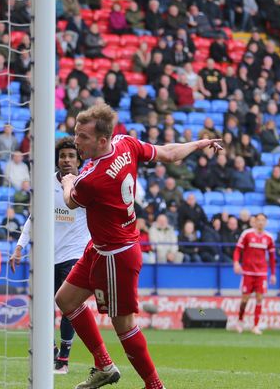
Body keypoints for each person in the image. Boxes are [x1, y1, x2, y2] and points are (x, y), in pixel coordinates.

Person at [56, 104, 221, 389]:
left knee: (125, 326)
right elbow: (168, 153)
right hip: (100, 247)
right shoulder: (126, 143)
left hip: (116, 255)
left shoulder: (92, 179)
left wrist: (68, 180)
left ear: (102, 139)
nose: (76, 142)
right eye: (75, 135)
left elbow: (71, 199)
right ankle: (105, 366)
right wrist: (198, 143)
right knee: (65, 300)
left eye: (83, 137)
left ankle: (155, 385)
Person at [10, 137, 90, 374]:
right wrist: (19, 247)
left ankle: (63, 360)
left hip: (75, 255)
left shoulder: (87, 184)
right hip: (47, 256)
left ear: (79, 159)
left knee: (69, 306)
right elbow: (32, 217)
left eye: (71, 156)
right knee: (43, 308)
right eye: (63, 156)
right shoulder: (46, 184)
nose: (66, 160)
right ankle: (50, 349)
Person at [232, 213, 276, 335]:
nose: (261, 222)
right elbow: (237, 249)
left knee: (259, 298)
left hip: (261, 273)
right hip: (248, 272)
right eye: (259, 220)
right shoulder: (247, 234)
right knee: (245, 298)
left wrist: (273, 274)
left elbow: (272, 257)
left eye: (263, 220)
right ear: (255, 222)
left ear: (266, 222)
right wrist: (236, 263)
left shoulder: (269, 237)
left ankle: (255, 325)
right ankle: (240, 321)